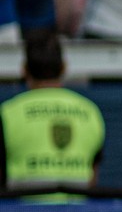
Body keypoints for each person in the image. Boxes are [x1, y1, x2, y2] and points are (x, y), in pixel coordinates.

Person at [0, 30, 105, 193]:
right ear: (64, 68)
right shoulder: (90, 111)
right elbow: (92, 177)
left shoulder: (8, 113)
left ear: (24, 69)